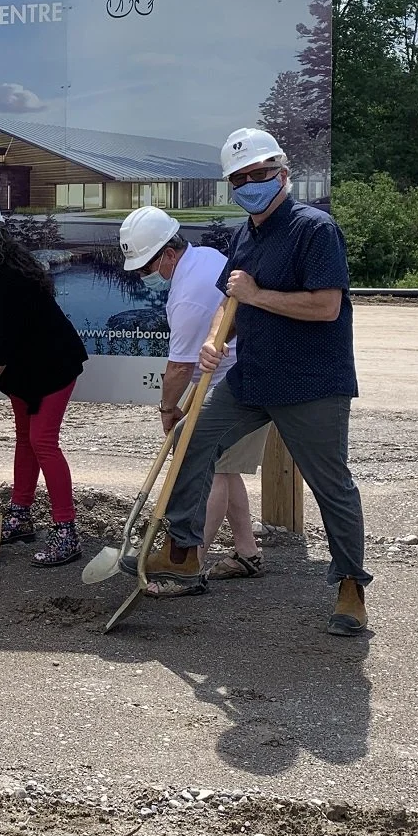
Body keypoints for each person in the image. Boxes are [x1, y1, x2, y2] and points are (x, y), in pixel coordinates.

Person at [129, 128, 371, 635]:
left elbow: (326, 306)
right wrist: (214, 338)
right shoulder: (245, 236)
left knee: (331, 484)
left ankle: (350, 586)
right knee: (190, 439)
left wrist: (257, 295)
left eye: (259, 173)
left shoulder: (315, 229)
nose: (250, 184)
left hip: (311, 382)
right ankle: (183, 552)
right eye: (239, 179)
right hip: (251, 377)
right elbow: (229, 302)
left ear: (282, 173)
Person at [119, 205, 261, 580]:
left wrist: (167, 409)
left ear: (169, 253)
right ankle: (247, 551)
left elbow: (179, 368)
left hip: (236, 385)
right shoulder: (204, 257)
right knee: (226, 469)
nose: (144, 276)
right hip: (233, 376)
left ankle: (187, 561)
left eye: (146, 268)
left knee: (209, 471)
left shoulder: (187, 296)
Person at [0, 192, 88, 566]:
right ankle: (21, 515)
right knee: (25, 440)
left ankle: (67, 532)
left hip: (52, 365)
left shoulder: (13, 274)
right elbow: (7, 329)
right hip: (22, 366)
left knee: (42, 441)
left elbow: (15, 338)